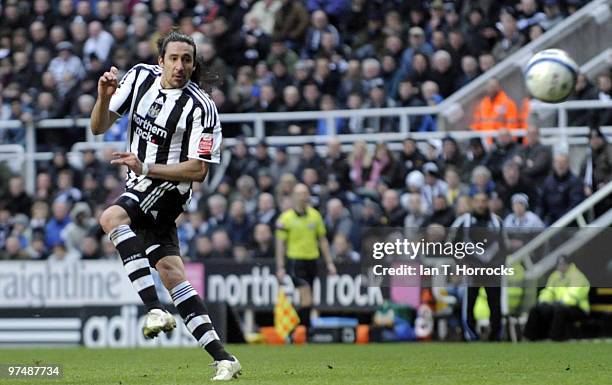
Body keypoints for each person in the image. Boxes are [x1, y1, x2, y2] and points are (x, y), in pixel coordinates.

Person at [90, 31, 240, 380]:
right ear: (161, 60)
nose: (179, 65)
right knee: (173, 275)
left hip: (169, 190)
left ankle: (155, 310)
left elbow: (199, 170)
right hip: (140, 186)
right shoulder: (139, 78)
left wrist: (146, 167)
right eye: (173, 58)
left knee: (111, 217)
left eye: (187, 59)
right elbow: (98, 126)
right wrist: (102, 96)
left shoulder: (201, 107)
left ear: (193, 64)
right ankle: (223, 358)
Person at [275, 184, 337, 329]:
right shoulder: (286, 218)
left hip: (312, 260)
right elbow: (280, 244)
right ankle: (302, 329)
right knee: (307, 296)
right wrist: (280, 267)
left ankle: (299, 329)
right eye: (300, 194)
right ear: (294, 197)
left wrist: (329, 263)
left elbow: (322, 240)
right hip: (296, 261)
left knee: (308, 299)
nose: (303, 196)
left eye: (305, 193)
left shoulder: (315, 215)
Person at [524, 255, 590, 341]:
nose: (561, 266)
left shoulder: (577, 276)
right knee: (536, 309)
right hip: (558, 305)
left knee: (559, 310)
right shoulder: (555, 276)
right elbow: (549, 291)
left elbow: (575, 294)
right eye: (559, 264)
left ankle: (555, 338)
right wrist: (543, 301)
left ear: (569, 264)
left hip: (578, 308)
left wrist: (560, 302)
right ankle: (529, 337)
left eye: (563, 264)